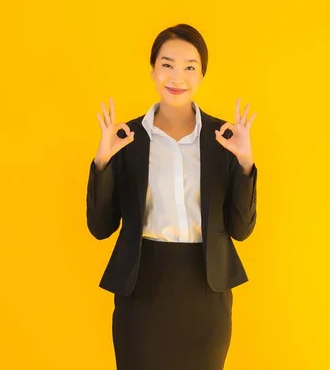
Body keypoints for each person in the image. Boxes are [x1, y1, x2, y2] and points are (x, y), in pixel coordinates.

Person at [85, 23, 258, 370]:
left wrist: (245, 164)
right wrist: (103, 161)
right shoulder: (126, 138)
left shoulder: (225, 138)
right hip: (142, 287)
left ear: (202, 74)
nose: (177, 76)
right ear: (152, 70)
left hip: (206, 291)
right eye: (167, 64)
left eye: (190, 67)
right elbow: (101, 227)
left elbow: (241, 229)